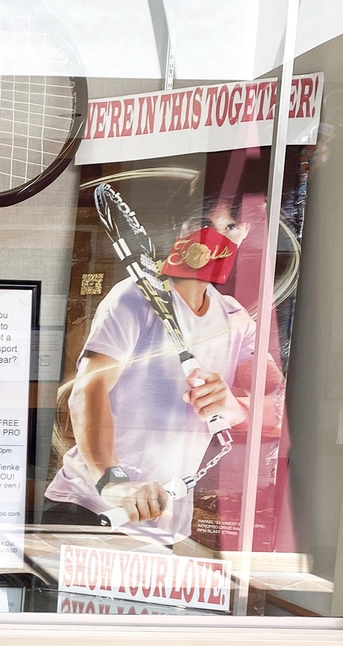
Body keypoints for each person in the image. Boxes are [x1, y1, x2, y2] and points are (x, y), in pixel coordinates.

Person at [44, 190, 284, 542]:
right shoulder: (134, 297)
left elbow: (278, 409)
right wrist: (113, 483)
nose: (215, 237)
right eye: (203, 224)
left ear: (244, 233)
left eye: (230, 226)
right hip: (89, 506)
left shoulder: (236, 319)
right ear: (179, 229)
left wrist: (234, 407)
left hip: (164, 523)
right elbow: (87, 390)